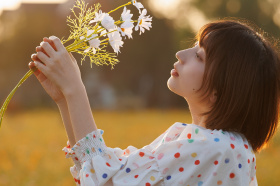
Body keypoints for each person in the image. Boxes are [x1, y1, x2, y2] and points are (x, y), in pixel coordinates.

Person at [28, 19, 280, 186]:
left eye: (200, 56)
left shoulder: (219, 149)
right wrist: (64, 99)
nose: (181, 55)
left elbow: (108, 181)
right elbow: (103, 174)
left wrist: (75, 89)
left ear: (221, 89)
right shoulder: (194, 139)